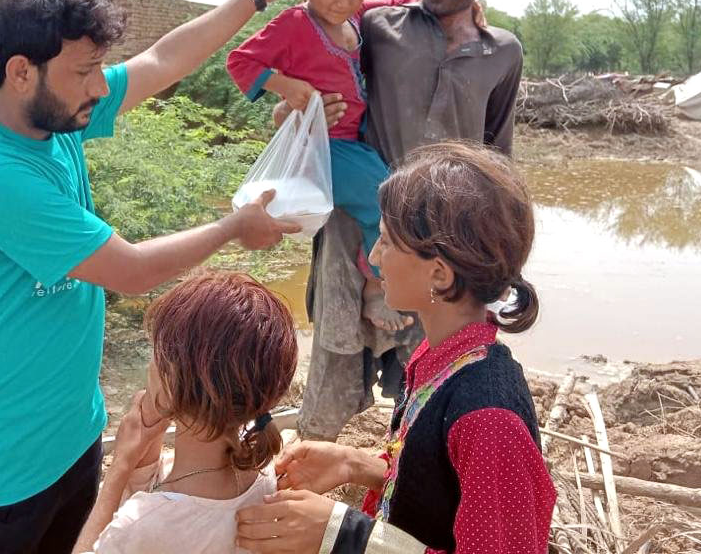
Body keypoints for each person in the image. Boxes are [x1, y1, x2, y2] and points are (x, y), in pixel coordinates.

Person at [0, 0, 310, 554]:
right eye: (84, 71)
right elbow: (129, 270)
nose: (101, 87)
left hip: (69, 436)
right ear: (22, 72)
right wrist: (235, 227)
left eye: (101, 67)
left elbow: (164, 59)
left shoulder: (53, 118)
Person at [236, 142, 556, 554]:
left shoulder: (488, 420)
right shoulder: (444, 360)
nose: (372, 257)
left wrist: (340, 533)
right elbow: (437, 479)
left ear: (438, 275)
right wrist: (355, 464)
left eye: (386, 242)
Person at [293, 0, 524, 441]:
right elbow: (311, 42)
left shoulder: (503, 52)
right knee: (331, 384)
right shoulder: (377, 29)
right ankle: (306, 504)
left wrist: (503, 256)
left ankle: (402, 499)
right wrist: (292, 102)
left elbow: (497, 158)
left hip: (445, 250)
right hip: (356, 233)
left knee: (430, 396)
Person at [226, 0, 418, 335]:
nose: (343, 2)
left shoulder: (352, 19)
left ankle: (377, 274)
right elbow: (239, 61)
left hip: (350, 142)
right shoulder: (296, 24)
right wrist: (286, 85)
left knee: (387, 194)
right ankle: (374, 285)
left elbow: (390, 2)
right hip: (323, 146)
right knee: (386, 201)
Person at [72, 272, 297, 553]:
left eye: (156, 353)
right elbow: (164, 492)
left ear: (173, 384)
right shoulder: (260, 466)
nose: (151, 365)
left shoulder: (142, 524)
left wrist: (119, 468)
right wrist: (150, 438)